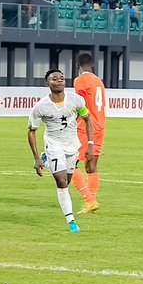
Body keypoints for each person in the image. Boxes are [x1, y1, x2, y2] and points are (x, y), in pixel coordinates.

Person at [27, 68, 93, 233]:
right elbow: (31, 131)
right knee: (62, 182)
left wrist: (90, 144)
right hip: (54, 145)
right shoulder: (40, 107)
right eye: (54, 79)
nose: (59, 81)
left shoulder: (77, 100)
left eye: (61, 78)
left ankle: (48, 161)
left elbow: (87, 118)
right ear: (47, 83)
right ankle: (71, 221)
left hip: (72, 147)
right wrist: (36, 158)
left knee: (68, 180)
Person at [70, 52, 107, 214]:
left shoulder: (80, 80)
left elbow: (79, 105)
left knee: (69, 163)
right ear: (92, 65)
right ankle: (92, 204)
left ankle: (89, 200)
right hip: (100, 125)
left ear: (78, 66)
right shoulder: (99, 82)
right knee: (91, 165)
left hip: (86, 127)